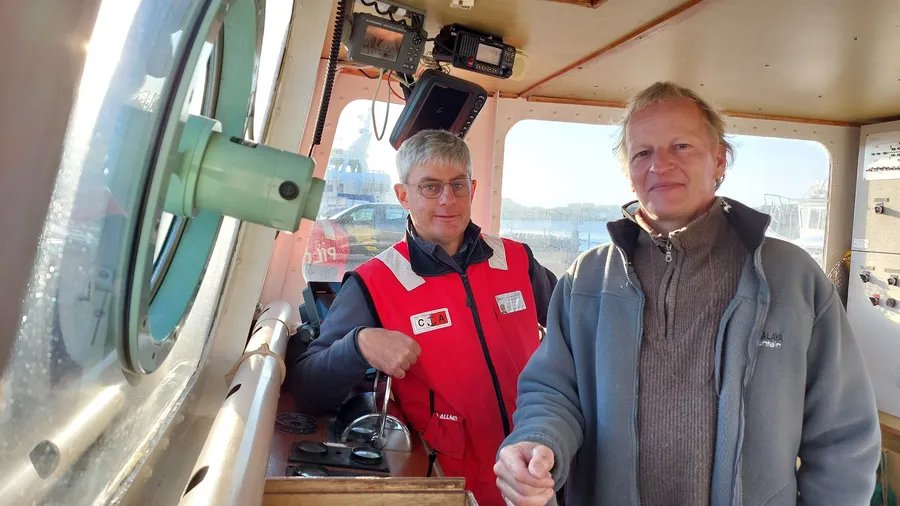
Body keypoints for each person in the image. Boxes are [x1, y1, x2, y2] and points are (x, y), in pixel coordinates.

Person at [494, 81, 881, 506]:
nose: (660, 165)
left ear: (720, 160)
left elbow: (843, 434)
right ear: (629, 172)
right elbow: (552, 392)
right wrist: (538, 440)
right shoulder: (586, 279)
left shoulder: (793, 277)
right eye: (643, 153)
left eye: (681, 146)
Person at [288, 129, 557, 506]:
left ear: (472, 189)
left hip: (538, 468)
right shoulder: (374, 282)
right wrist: (358, 345)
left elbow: (575, 331)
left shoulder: (517, 260)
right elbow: (306, 388)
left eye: (458, 185)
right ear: (403, 195)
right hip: (451, 482)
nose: (448, 199)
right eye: (430, 187)